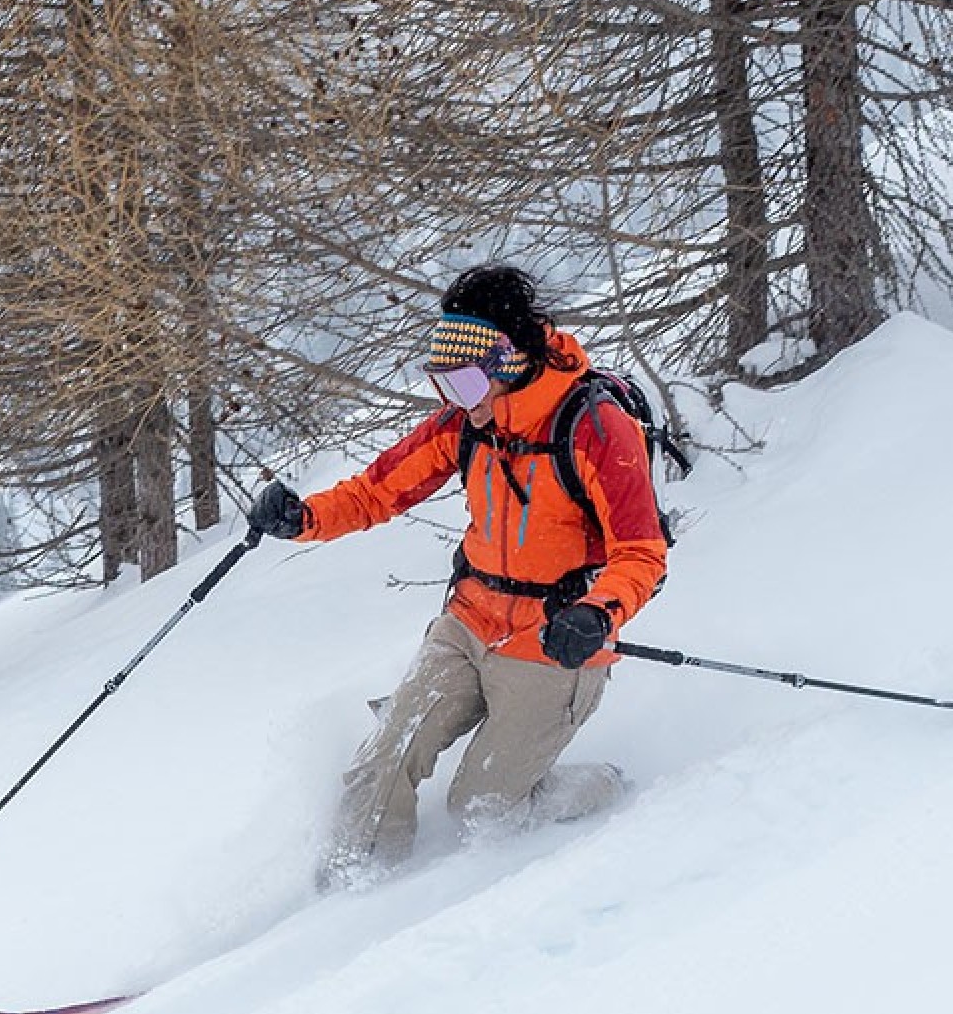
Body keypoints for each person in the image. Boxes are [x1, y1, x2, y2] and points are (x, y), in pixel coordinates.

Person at [248, 265, 668, 889]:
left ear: (513, 360)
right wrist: (304, 519)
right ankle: (347, 892)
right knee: (382, 761)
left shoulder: (598, 431)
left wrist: (596, 613)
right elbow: (376, 492)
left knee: (481, 808)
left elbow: (642, 553)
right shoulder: (467, 422)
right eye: (444, 385)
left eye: (467, 383)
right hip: (468, 623)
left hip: (554, 647)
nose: (456, 402)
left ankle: (597, 783)